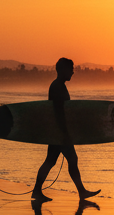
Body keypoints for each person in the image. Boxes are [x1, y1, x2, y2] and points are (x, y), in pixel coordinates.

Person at [32, 57, 101, 202]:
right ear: (63, 70)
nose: (73, 72)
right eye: (71, 69)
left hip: (57, 131)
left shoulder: (58, 85)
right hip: (59, 132)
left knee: (51, 161)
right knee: (69, 159)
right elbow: (58, 112)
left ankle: (37, 191)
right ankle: (81, 192)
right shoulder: (57, 87)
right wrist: (64, 132)